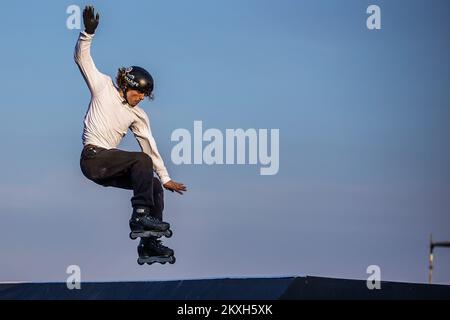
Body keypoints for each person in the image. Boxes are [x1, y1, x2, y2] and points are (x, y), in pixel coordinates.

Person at [75, 6, 186, 265]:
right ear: (127, 86)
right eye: (139, 94)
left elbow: (150, 145)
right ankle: (140, 215)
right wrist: (88, 33)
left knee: (153, 184)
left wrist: (166, 177)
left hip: (109, 167)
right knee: (140, 161)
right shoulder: (103, 87)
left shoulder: (138, 116)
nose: (140, 100)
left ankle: (149, 244)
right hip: (93, 158)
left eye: (144, 97)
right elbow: (82, 59)